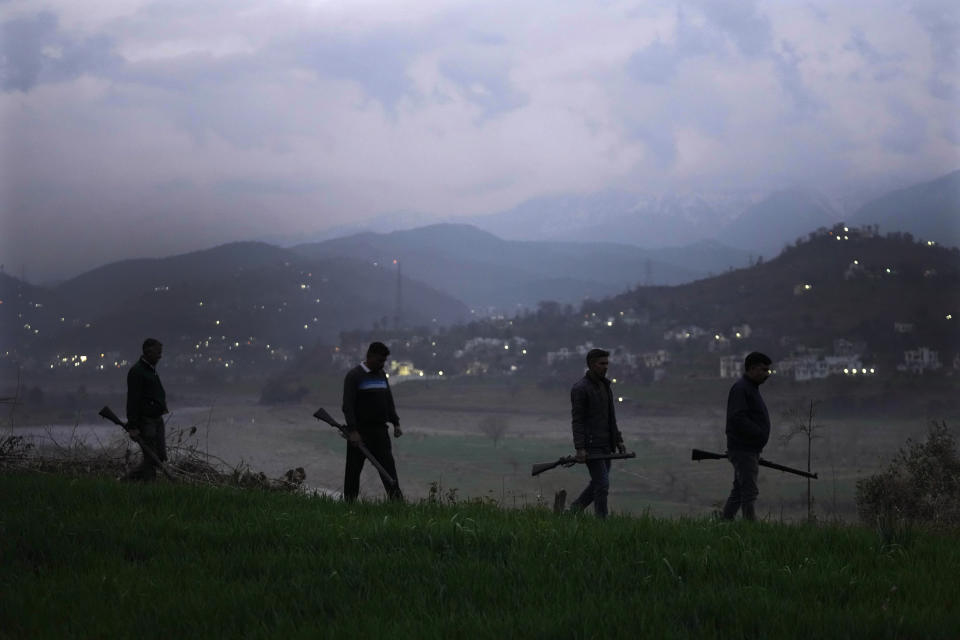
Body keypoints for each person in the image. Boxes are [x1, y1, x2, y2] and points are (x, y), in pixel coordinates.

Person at [341, 341, 403, 502]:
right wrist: (353, 431)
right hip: (360, 433)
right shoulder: (354, 376)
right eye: (379, 361)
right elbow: (347, 406)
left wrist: (395, 423)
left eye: (384, 361)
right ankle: (349, 504)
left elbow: (388, 400)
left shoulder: (382, 375)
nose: (382, 365)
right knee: (353, 472)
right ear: (369, 356)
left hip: (380, 432)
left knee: (389, 470)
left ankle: (398, 504)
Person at [568, 348, 626, 518]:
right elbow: (577, 420)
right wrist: (580, 448)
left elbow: (611, 417)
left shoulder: (605, 386)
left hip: (606, 444)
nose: (605, 367)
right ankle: (602, 521)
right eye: (602, 364)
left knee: (598, 484)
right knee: (602, 484)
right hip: (591, 445)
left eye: (607, 363)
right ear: (592, 365)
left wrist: (619, 441)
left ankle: (574, 510)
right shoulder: (580, 389)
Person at [721, 351, 773, 521]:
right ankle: (750, 528)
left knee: (739, 491)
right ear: (752, 369)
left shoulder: (750, 388)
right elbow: (737, 418)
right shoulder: (741, 388)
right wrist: (758, 434)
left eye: (768, 371)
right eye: (763, 370)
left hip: (749, 449)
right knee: (749, 491)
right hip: (743, 449)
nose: (767, 374)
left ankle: (724, 522)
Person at [122, 338, 168, 481]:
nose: (160, 356)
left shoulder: (150, 370)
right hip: (146, 421)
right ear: (148, 351)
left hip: (156, 419)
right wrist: (133, 425)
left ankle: (128, 481)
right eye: (158, 352)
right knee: (151, 456)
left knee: (159, 455)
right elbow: (133, 400)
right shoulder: (137, 371)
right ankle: (148, 486)